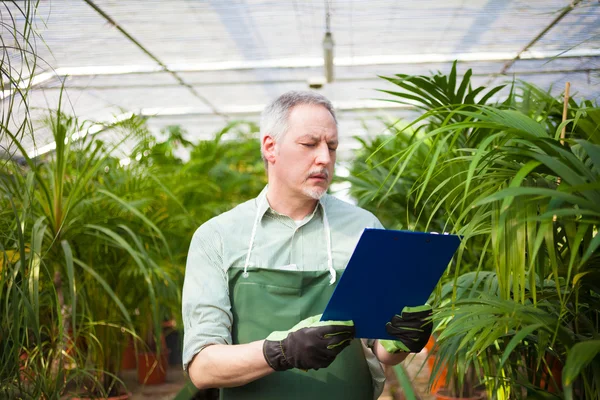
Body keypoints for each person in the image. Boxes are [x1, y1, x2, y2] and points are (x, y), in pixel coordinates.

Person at [182, 91, 432, 399]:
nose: (325, 158)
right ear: (270, 148)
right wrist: (280, 352)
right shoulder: (218, 237)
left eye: (332, 146)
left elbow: (380, 350)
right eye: (310, 144)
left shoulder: (362, 229)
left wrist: (403, 338)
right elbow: (202, 367)